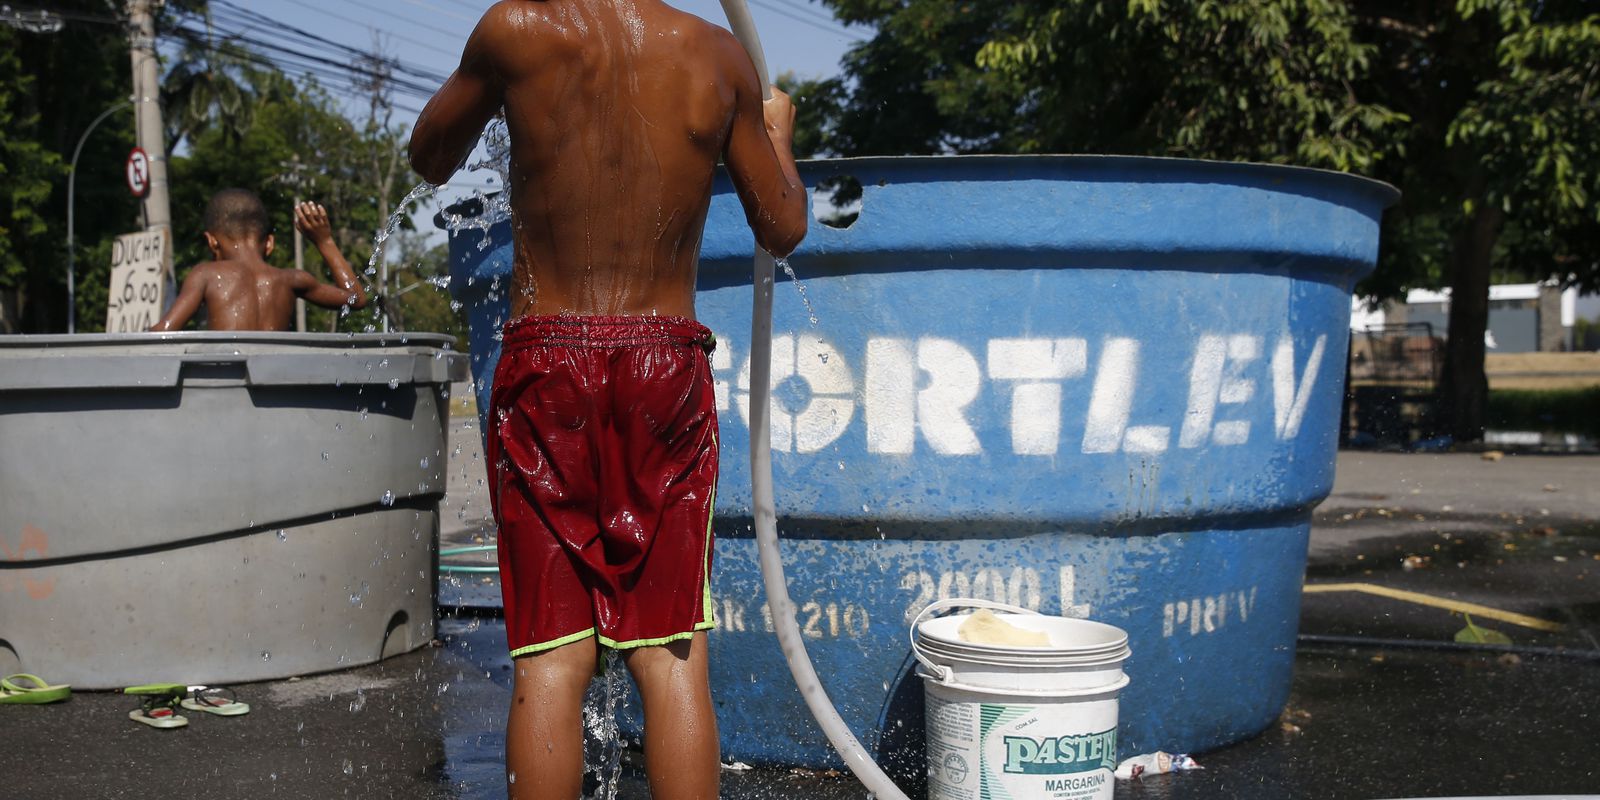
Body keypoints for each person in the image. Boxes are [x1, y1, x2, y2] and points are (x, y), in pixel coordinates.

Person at [409, 1, 807, 798]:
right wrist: (778, 138)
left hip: (545, 363)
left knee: (551, 660)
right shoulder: (718, 55)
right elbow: (784, 225)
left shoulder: (514, 32)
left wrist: (502, 91)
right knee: (672, 653)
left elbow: (429, 156)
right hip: (664, 365)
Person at [150, 190, 367, 332]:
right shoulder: (292, 280)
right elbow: (356, 299)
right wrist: (325, 241)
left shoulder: (205, 275)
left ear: (212, 242)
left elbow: (163, 333)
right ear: (270, 243)